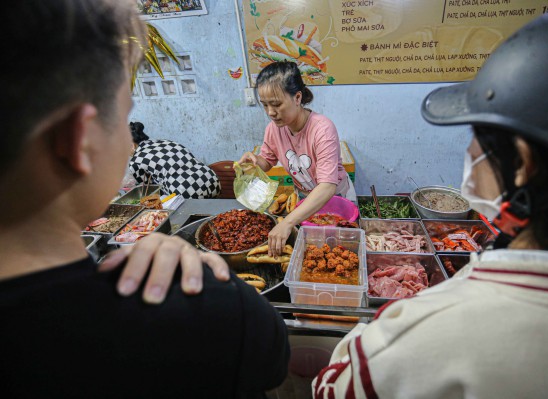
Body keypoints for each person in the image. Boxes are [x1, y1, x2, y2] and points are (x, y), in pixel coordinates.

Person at [0, 1, 289, 397]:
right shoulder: (213, 311)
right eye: (121, 117)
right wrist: (210, 279)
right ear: (79, 139)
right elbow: (274, 361)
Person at [313, 2, 548, 398]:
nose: (470, 155)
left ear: (524, 164)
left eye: (476, 140)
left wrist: (378, 328)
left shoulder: (435, 328)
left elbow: (331, 389)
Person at [238, 61, 356, 257]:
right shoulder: (273, 129)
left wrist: (288, 222)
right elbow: (267, 162)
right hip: (305, 202)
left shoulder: (322, 128)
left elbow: (327, 185)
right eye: (265, 105)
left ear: (297, 97)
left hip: (337, 201)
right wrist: (255, 161)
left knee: (337, 253)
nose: (270, 112)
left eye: (276, 104)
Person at [129, 121, 221, 199]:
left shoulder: (136, 160)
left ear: (131, 145)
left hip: (188, 193)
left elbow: (148, 190)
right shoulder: (163, 141)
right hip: (212, 180)